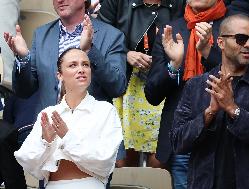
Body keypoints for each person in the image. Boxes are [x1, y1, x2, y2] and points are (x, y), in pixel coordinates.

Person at [144, 0, 249, 188]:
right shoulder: (171, 30)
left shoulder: (237, 27)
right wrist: (173, 66)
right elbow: (152, 95)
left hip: (227, 137)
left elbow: (248, 79)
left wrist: (208, 52)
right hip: (184, 138)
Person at [170, 14, 249, 189]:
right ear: (221, 43)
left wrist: (233, 109)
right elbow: (178, 142)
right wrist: (209, 113)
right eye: (241, 39)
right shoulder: (197, 85)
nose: (248, 45)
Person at [14, 48, 123, 189]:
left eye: (85, 64)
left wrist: (67, 137)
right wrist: (45, 141)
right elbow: (27, 160)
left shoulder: (105, 110)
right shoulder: (48, 113)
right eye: (73, 65)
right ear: (59, 75)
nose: (81, 69)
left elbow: (105, 160)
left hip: (90, 185)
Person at [97, 0, 186, 168]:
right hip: (125, 80)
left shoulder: (178, 3)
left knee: (159, 157)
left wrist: (164, 57)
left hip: (163, 79)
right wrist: (125, 54)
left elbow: (184, 35)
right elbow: (100, 35)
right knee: (123, 156)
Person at [4, 0, 127, 115]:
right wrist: (23, 58)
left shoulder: (112, 35)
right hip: (50, 129)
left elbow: (117, 87)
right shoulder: (41, 34)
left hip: (91, 129)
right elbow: (24, 91)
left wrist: (90, 50)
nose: (60, 0)